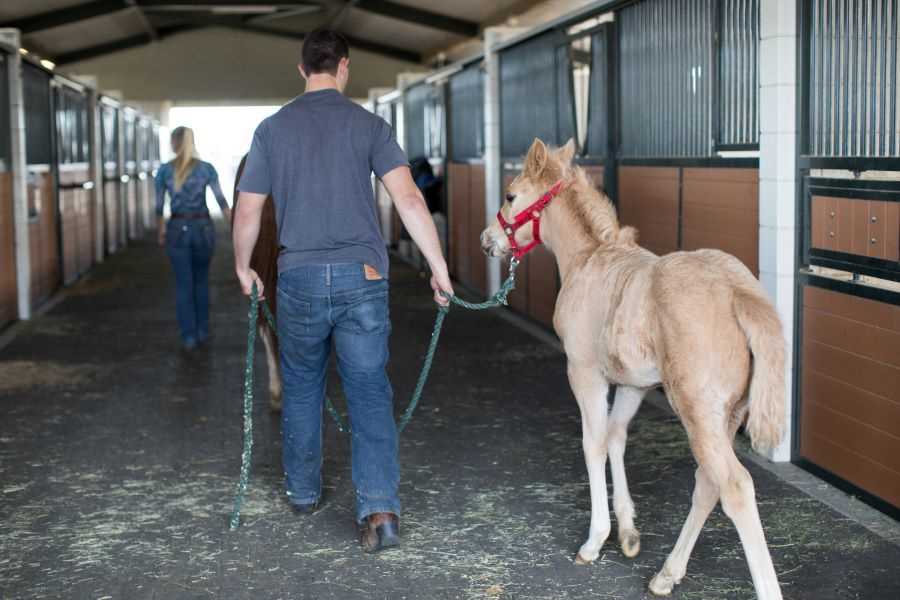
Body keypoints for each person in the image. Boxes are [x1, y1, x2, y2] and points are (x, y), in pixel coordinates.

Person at [233, 29, 453, 553]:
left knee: (304, 385)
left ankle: (304, 493)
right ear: (345, 68)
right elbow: (410, 200)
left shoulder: (271, 130)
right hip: (364, 280)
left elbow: (247, 210)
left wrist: (243, 267)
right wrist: (439, 266)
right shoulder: (371, 126)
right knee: (369, 391)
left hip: (300, 279)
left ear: (302, 68)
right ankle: (380, 512)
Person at [155, 126, 232, 350]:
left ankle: (188, 336)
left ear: (175, 143)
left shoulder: (164, 171)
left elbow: (159, 208)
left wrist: (160, 231)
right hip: (203, 229)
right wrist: (235, 227)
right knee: (201, 281)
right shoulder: (206, 169)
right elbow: (222, 203)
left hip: (177, 230)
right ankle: (203, 331)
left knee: (183, 284)